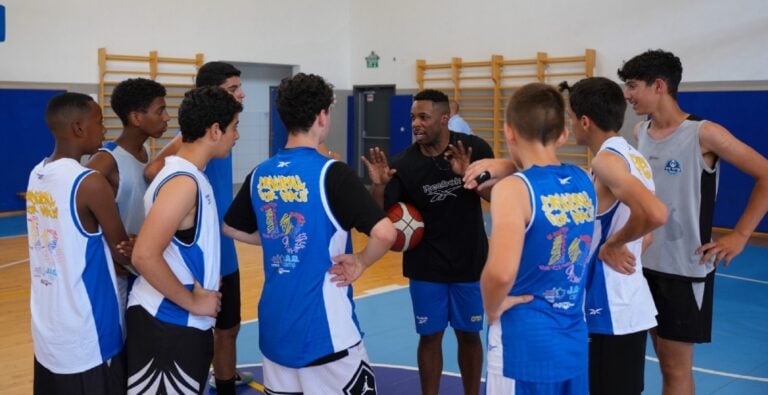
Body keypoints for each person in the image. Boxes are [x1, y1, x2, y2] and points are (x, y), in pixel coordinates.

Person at [222, 72, 395, 394]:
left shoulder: (260, 173)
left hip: (274, 328)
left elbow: (230, 226)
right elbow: (385, 233)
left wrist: (275, 240)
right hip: (326, 332)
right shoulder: (333, 173)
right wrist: (360, 261)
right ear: (322, 116)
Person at [618, 49, 768, 395]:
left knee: (674, 368)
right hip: (641, 266)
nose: (627, 95)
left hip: (683, 270)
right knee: (654, 359)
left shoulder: (705, 133)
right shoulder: (640, 132)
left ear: (659, 85)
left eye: (632, 85)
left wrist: (741, 234)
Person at [362, 89, 493, 395]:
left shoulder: (473, 148)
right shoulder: (403, 164)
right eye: (412, 118)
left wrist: (471, 180)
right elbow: (380, 216)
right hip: (425, 266)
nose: (416, 124)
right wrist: (379, 186)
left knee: (469, 335)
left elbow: (497, 197)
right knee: (430, 336)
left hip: (469, 262)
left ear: (445, 118)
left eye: (423, 117)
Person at [480, 82, 596, 394]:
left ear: (508, 132)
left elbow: (501, 272)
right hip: (571, 336)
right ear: (563, 134)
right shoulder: (586, 180)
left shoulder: (513, 189)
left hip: (523, 342)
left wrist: (491, 309)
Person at [144, 61, 253, 393]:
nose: (241, 93)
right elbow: (152, 170)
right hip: (202, 248)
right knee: (208, 327)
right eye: (233, 88)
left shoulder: (224, 132)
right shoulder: (194, 142)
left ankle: (225, 378)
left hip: (225, 245)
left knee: (229, 326)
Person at [566, 77, 668, 395]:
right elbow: (646, 233)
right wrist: (629, 241)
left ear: (584, 121)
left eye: (571, 117)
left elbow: (656, 214)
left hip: (609, 308)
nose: (570, 124)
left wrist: (614, 244)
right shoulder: (631, 155)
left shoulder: (606, 161)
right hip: (626, 301)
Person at [27, 92, 130, 394]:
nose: (105, 129)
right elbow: (122, 252)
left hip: (49, 329)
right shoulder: (89, 182)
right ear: (79, 128)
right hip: (89, 332)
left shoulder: (38, 173)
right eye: (99, 122)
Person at [86, 77, 169, 311]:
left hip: (141, 263)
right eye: (160, 110)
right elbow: (77, 205)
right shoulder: (105, 160)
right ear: (136, 118)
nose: (167, 117)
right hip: (117, 273)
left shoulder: (144, 153)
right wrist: (109, 253)